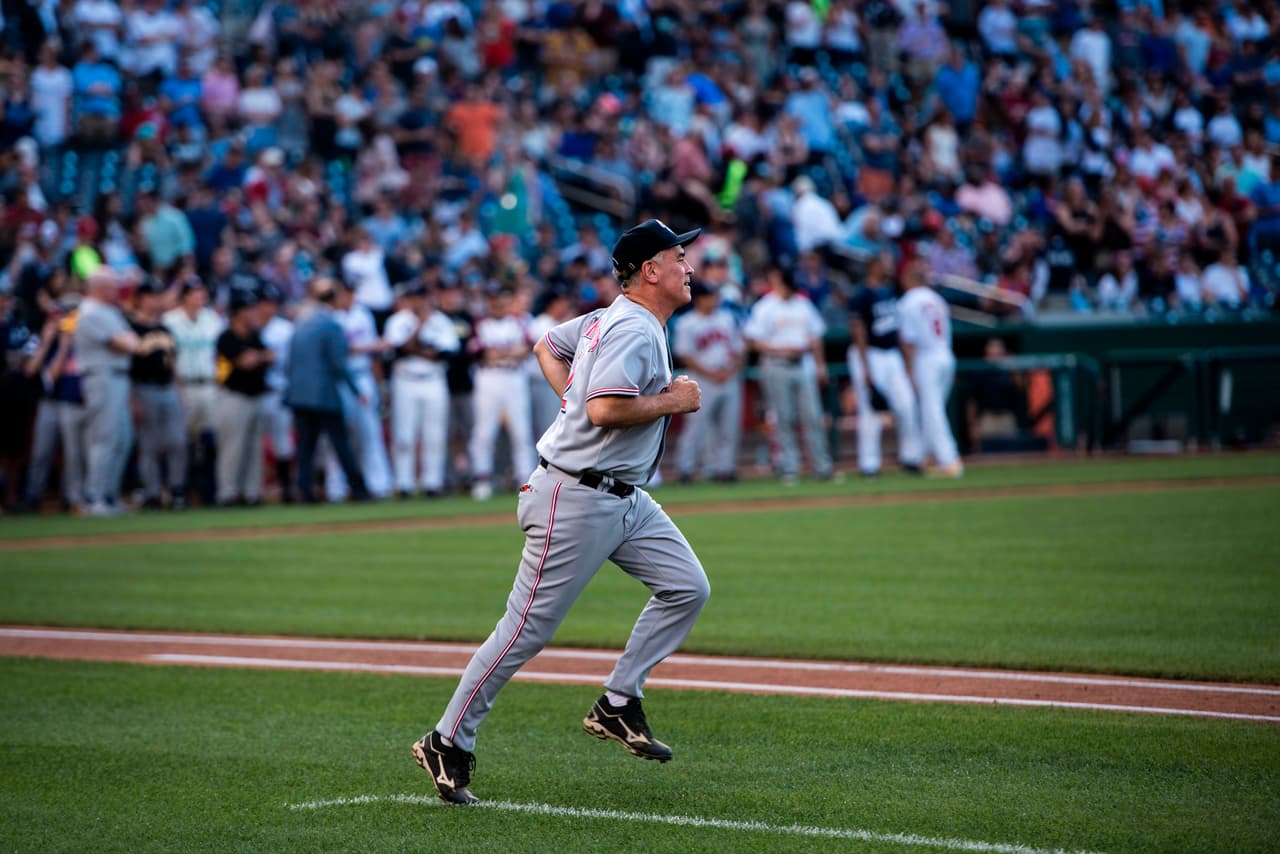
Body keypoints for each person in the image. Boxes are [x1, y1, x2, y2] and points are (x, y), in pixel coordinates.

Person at [413, 219, 711, 805]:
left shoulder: (616, 317)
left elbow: (548, 345)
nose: (689, 266)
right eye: (680, 256)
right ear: (650, 270)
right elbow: (602, 411)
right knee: (525, 630)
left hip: (623, 496)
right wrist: (671, 401)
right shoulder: (632, 328)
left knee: (686, 586)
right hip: (574, 497)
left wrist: (572, 399)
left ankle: (619, 702)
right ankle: (446, 739)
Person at [743, 266, 834, 484]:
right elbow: (753, 341)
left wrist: (821, 365)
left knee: (812, 416)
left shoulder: (803, 304)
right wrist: (781, 350)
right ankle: (789, 467)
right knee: (784, 418)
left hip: (803, 364)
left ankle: (822, 467)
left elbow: (815, 336)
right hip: (777, 364)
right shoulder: (766, 306)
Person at [284, 278, 370, 504]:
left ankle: (305, 491)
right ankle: (359, 489)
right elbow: (338, 364)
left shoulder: (302, 322)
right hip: (323, 395)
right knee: (341, 443)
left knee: (306, 448)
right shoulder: (332, 325)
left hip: (299, 395)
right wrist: (356, 390)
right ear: (334, 299)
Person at [846, 254, 924, 477]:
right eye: (884, 263)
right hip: (870, 353)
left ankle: (911, 457)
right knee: (870, 411)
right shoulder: (862, 295)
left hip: (891, 355)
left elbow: (898, 330)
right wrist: (865, 367)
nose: (889, 267)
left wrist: (907, 364)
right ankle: (869, 464)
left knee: (907, 405)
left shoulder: (889, 291)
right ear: (873, 266)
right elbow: (858, 330)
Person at [384, 281, 459, 498]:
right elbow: (398, 350)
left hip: (433, 379)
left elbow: (447, 353)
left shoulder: (441, 321)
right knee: (404, 434)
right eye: (413, 297)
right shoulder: (398, 321)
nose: (418, 301)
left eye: (421, 296)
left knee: (434, 434)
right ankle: (404, 483)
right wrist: (419, 334)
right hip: (405, 380)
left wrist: (415, 349)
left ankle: (431, 483)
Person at [74, 267, 139, 515]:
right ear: (100, 287)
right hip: (101, 377)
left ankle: (109, 496)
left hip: (118, 377)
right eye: (112, 285)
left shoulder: (110, 311)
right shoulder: (90, 311)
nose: (116, 289)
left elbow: (132, 339)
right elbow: (127, 343)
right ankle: (94, 497)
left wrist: (129, 341)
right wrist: (129, 341)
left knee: (123, 437)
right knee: (104, 437)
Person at [324, 280, 392, 502]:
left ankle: (379, 485)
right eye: (345, 293)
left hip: (362, 377)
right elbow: (339, 351)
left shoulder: (363, 314)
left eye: (352, 293)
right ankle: (336, 489)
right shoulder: (329, 317)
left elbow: (374, 356)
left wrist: (380, 384)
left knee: (370, 433)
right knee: (338, 437)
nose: (349, 297)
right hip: (338, 381)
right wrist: (370, 347)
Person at [467, 285, 536, 500]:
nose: (497, 304)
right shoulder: (481, 324)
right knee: (484, 431)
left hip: (514, 378)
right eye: (493, 299)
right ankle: (482, 478)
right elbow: (479, 353)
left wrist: (500, 353)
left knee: (521, 431)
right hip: (489, 378)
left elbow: (528, 348)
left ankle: (525, 480)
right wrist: (508, 352)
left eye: (501, 299)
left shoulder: (518, 322)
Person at [672, 281, 745, 483]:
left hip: (728, 376)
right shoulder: (687, 322)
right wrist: (711, 373)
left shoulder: (727, 319)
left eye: (715, 296)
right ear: (700, 299)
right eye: (709, 296)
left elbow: (740, 349)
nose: (714, 300)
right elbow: (685, 355)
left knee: (729, 427)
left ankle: (726, 469)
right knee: (696, 426)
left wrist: (730, 370)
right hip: (701, 379)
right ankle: (685, 469)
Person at [896, 261, 962, 477]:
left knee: (932, 411)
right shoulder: (937, 298)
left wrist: (909, 367)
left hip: (926, 358)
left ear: (910, 279)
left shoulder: (908, 301)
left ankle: (949, 459)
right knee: (932, 410)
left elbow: (908, 340)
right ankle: (920, 457)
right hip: (945, 354)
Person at [128, 277, 187, 509]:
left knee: (178, 441)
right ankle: (152, 493)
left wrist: (180, 393)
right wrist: (132, 399)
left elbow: (173, 365)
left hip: (167, 387)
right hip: (144, 387)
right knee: (149, 445)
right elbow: (128, 369)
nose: (156, 300)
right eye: (151, 296)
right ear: (140, 300)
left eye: (158, 295)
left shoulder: (165, 329)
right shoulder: (132, 328)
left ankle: (177, 490)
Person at [163, 277, 222, 505]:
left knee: (210, 440)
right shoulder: (171, 321)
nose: (199, 297)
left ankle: (209, 492)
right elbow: (168, 359)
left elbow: (219, 354)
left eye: (202, 292)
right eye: (194, 292)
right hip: (183, 385)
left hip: (208, 384)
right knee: (182, 441)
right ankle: (181, 491)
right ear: (184, 296)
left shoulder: (212, 319)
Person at [214, 289, 271, 506]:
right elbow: (245, 361)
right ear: (238, 313)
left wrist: (258, 357)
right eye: (249, 309)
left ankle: (251, 493)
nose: (254, 313)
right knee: (232, 447)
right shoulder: (226, 337)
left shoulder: (254, 335)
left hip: (255, 396)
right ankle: (228, 493)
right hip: (233, 397)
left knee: (254, 448)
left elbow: (268, 356)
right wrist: (258, 357)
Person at [258, 284, 296, 503]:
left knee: (283, 443)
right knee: (254, 443)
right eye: (264, 303)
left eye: (272, 304)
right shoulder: (250, 325)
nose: (268, 308)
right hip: (254, 391)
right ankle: (255, 490)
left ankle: (286, 488)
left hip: (279, 389)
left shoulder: (285, 329)